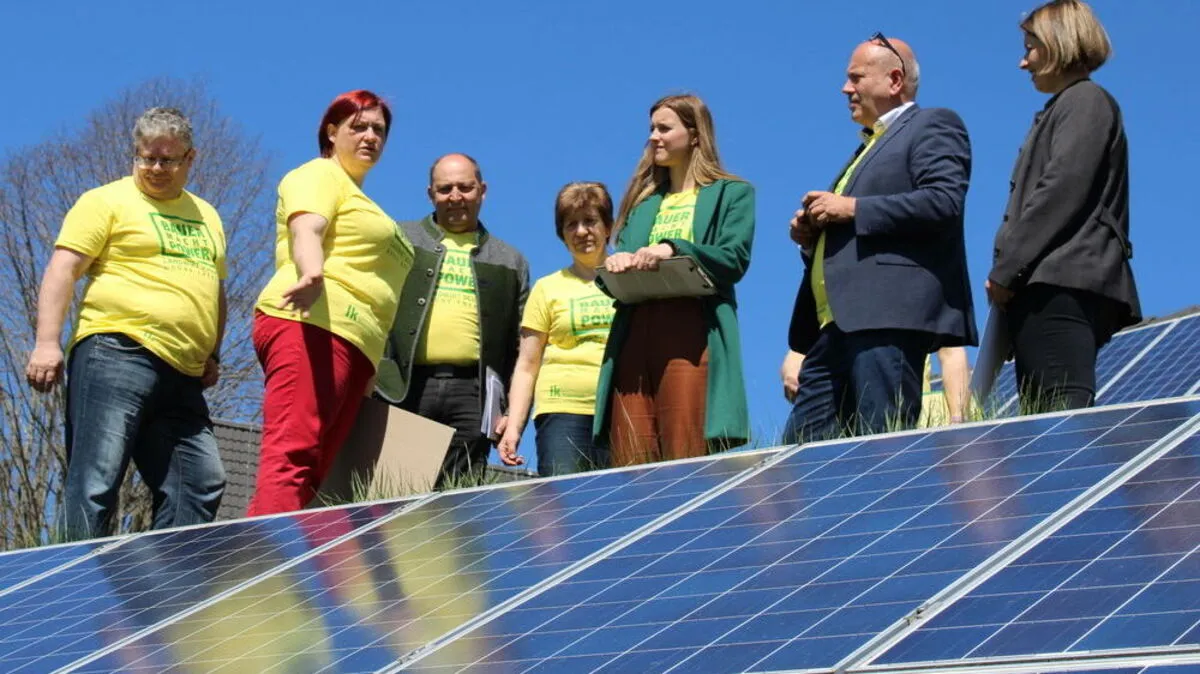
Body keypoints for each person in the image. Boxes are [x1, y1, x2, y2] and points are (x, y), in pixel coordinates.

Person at [25, 107, 226, 540]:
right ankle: (76, 577)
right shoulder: (105, 201)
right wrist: (47, 342)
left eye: (167, 160)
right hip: (117, 352)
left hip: (184, 374)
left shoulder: (207, 216)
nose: (155, 168)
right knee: (96, 481)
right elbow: (63, 269)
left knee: (199, 481)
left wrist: (213, 352)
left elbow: (214, 286)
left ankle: (166, 581)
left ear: (190, 158)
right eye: (146, 158)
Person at [784, 34, 977, 443]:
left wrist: (851, 208)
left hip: (887, 319)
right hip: (833, 329)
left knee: (881, 452)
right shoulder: (866, 149)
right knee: (801, 458)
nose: (845, 88)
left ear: (894, 80)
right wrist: (813, 238)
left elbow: (943, 201)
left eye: (855, 78)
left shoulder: (933, 124)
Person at [248, 90, 414, 516]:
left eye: (379, 130)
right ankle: (267, 553)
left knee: (317, 473)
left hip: (355, 346)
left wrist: (371, 364)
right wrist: (311, 271)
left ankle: (277, 550)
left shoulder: (366, 202)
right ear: (331, 132)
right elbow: (307, 228)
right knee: (293, 455)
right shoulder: (320, 174)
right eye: (359, 127)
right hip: (311, 323)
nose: (371, 136)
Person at [987, 0, 1139, 412]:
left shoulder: (1086, 101)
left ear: (1059, 43)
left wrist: (1006, 268)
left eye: (1030, 48)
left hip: (1061, 284)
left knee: (1059, 419)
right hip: (1045, 285)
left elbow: (1062, 188)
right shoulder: (1070, 105)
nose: (1023, 62)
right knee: (1043, 420)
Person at [594, 94, 755, 466]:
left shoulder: (732, 194)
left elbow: (733, 258)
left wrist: (673, 248)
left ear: (695, 134)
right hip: (635, 328)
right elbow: (625, 255)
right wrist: (617, 261)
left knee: (684, 450)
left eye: (664, 128)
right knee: (630, 452)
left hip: (692, 328)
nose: (654, 137)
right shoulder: (643, 202)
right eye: (652, 129)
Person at [375, 154, 529, 487]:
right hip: (405, 388)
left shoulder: (511, 261)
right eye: (445, 189)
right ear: (430, 194)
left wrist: (510, 413)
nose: (455, 196)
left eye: (465, 187)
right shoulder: (401, 239)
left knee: (459, 500)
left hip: (474, 395)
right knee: (394, 492)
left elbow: (522, 349)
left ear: (482, 190)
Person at [497, 182, 616, 476]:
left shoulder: (630, 280)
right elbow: (527, 365)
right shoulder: (547, 288)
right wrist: (513, 427)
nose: (581, 232)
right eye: (571, 224)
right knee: (563, 498)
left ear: (608, 227)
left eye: (590, 221)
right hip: (561, 411)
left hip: (620, 409)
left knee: (621, 499)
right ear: (561, 235)